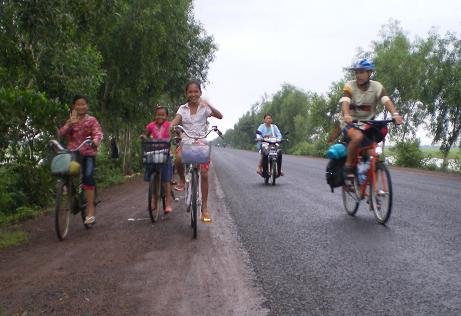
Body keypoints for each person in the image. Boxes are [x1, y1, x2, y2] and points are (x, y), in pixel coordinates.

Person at [339, 58, 403, 178]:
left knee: (374, 154)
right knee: (357, 137)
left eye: (362, 72)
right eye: (357, 72)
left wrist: (395, 114)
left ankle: (373, 191)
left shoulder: (377, 86)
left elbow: (386, 100)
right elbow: (345, 101)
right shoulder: (349, 85)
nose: (359, 75)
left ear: (369, 73)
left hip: (367, 124)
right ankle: (348, 167)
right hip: (350, 123)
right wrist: (346, 115)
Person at [170, 80, 223, 223]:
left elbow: (220, 116)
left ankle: (204, 208)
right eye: (190, 92)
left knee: (204, 174)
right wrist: (171, 126)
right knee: (178, 158)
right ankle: (181, 179)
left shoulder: (204, 108)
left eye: (196, 91)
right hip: (186, 141)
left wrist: (208, 104)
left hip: (201, 143)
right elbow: (176, 120)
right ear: (186, 94)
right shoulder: (182, 108)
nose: (193, 94)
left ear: (200, 93)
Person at [59, 95, 103, 225]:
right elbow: (61, 134)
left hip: (88, 153)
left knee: (88, 177)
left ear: (87, 106)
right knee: (65, 173)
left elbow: (98, 132)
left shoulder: (92, 120)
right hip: (73, 153)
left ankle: (90, 211)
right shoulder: (71, 120)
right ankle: (70, 194)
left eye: (83, 104)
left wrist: (95, 141)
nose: (81, 107)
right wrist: (68, 124)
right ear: (74, 106)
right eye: (78, 104)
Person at [141, 106, 174, 213]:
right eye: (158, 114)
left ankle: (168, 203)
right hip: (154, 154)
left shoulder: (169, 125)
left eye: (162, 115)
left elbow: (176, 131)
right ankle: (155, 200)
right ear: (155, 115)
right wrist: (144, 137)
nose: (160, 117)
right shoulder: (151, 125)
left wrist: (178, 134)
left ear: (166, 116)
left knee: (166, 179)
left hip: (165, 154)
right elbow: (145, 134)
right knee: (154, 178)